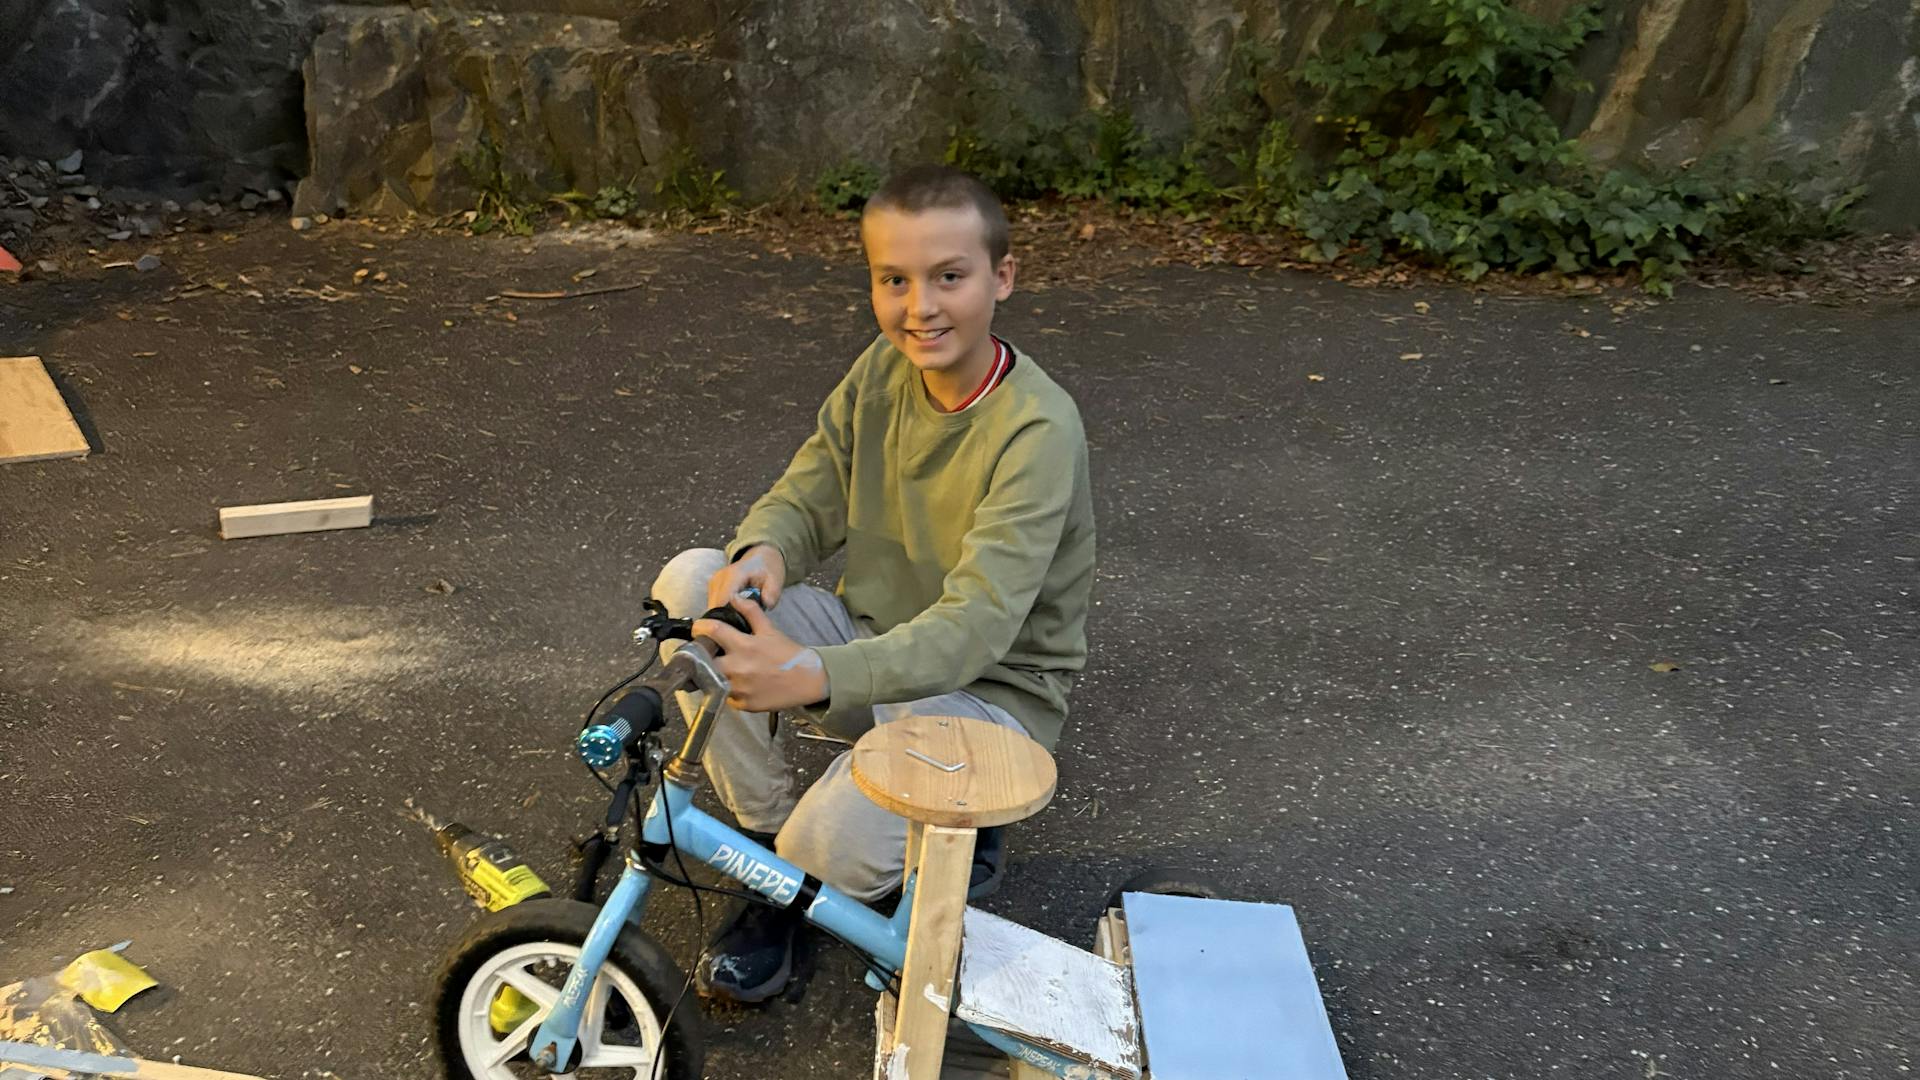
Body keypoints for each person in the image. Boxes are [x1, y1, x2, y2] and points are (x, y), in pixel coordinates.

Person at [650, 164, 1096, 1003]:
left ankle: (859, 852)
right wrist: (767, 550)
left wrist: (814, 673)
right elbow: (812, 486)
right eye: (895, 280)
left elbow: (976, 625)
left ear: (1002, 277)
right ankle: (769, 844)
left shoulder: (1038, 428)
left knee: (825, 850)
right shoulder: (883, 370)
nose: (920, 307)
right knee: (694, 585)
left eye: (949, 277)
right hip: (872, 647)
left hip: (987, 697)